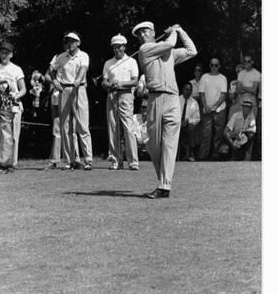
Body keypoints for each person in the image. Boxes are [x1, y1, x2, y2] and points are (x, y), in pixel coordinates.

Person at [134, 20, 197, 199]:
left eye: (145, 32)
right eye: (139, 34)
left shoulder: (169, 53)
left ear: (153, 33)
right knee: (153, 145)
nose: (142, 36)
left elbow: (192, 51)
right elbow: (169, 43)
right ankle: (162, 180)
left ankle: (164, 186)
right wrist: (174, 31)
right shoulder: (145, 50)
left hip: (172, 99)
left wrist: (181, 30)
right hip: (155, 99)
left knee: (170, 144)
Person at [50, 31, 93, 170]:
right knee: (65, 126)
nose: (70, 43)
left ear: (78, 43)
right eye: (68, 41)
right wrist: (55, 80)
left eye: (73, 41)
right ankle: (69, 160)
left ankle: (88, 159)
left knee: (82, 125)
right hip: (64, 90)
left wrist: (78, 80)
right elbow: (51, 69)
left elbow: (83, 69)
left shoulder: (83, 55)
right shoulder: (61, 57)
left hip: (79, 89)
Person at [102, 34, 139, 170]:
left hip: (126, 95)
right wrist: (110, 85)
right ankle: (116, 160)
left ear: (124, 47)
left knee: (128, 128)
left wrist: (121, 84)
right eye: (115, 47)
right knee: (113, 128)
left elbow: (135, 81)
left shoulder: (131, 61)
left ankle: (133, 162)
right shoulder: (108, 63)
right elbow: (104, 82)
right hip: (111, 95)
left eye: (119, 46)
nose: (117, 49)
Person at [44, 54, 81, 169]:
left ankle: (75, 159)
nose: (68, 45)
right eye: (66, 42)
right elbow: (47, 75)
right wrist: (56, 81)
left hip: (71, 95)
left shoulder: (77, 57)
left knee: (72, 127)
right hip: (56, 96)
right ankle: (55, 160)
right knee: (57, 128)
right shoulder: (57, 57)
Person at [0, 40, 26, 169]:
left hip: (13, 105)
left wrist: (15, 96)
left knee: (14, 136)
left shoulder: (16, 69)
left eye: (6, 53)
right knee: (0, 135)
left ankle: (12, 163)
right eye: (2, 52)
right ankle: (1, 162)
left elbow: (23, 89)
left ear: (11, 55)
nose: (3, 55)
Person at [198, 58, 228, 160]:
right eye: (212, 65)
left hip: (219, 110)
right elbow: (202, 94)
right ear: (209, 65)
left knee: (218, 134)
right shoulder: (204, 77)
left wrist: (214, 107)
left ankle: (216, 155)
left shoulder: (223, 78)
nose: (214, 67)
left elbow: (223, 95)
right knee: (206, 134)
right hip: (207, 110)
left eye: (216, 65)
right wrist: (206, 107)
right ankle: (203, 156)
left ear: (219, 66)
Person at [223, 95, 257, 160]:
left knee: (251, 135)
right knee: (225, 150)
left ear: (251, 109)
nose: (247, 109)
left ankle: (245, 156)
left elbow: (254, 130)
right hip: (233, 137)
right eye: (245, 107)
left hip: (243, 138)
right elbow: (225, 131)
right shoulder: (235, 115)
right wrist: (232, 142)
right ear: (242, 107)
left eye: (249, 107)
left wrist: (243, 130)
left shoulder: (251, 115)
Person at [178, 83, 200, 161]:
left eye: (190, 90)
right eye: (186, 89)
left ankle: (190, 153)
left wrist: (188, 121)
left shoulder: (194, 102)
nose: (188, 92)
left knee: (192, 128)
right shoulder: (177, 100)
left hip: (187, 126)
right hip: (177, 125)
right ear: (182, 90)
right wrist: (179, 122)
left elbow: (197, 118)